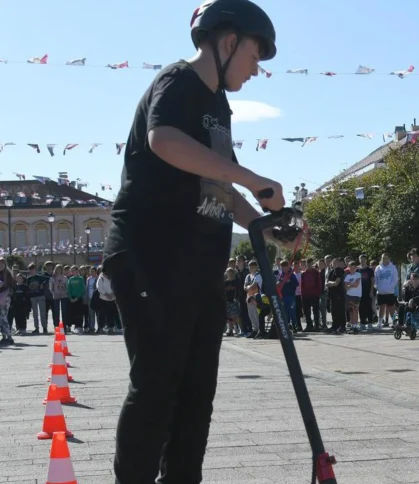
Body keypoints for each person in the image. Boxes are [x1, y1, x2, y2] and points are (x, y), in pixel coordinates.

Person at [99, 2, 292, 482]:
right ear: (228, 42)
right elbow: (164, 140)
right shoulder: (178, 82)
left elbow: (219, 187)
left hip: (200, 262)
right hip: (152, 255)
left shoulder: (218, 108)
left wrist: (267, 226)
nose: (255, 69)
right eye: (254, 55)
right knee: (156, 386)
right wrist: (253, 178)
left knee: (197, 393)